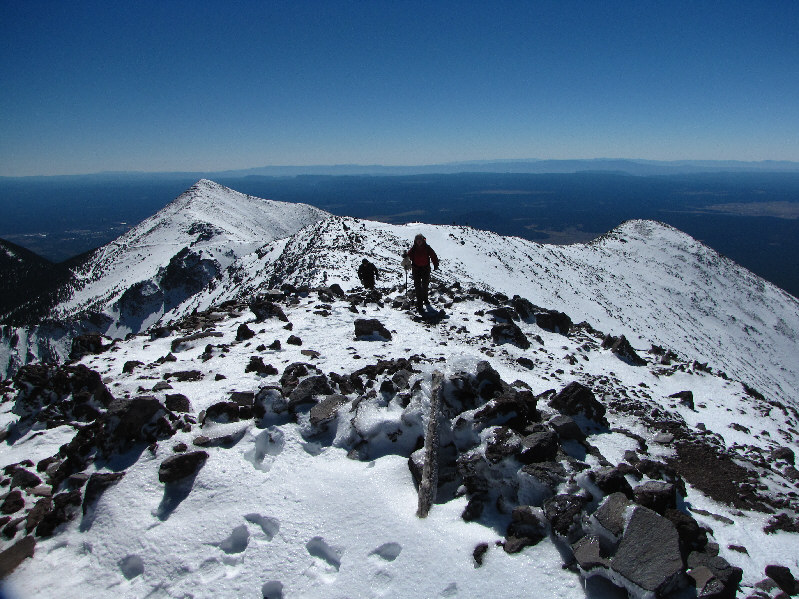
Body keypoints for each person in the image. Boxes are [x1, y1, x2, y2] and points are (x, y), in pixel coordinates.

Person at [404, 233, 439, 313]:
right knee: (418, 287)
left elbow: (433, 256)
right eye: (417, 240)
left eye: (420, 240)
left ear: (423, 240)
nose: (419, 241)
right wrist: (405, 256)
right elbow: (408, 256)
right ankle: (420, 304)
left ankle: (425, 299)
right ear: (415, 241)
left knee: (425, 285)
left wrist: (435, 264)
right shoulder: (413, 249)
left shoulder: (427, 248)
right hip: (416, 269)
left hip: (425, 269)